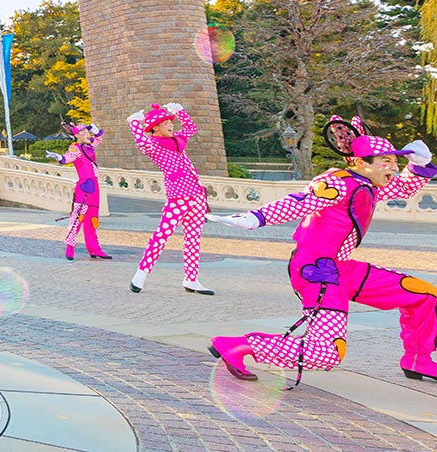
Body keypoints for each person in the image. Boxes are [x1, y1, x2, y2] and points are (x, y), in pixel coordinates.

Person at [206, 124, 437, 384]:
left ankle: (419, 360)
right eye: (387, 161)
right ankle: (237, 345)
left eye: (395, 162)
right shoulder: (338, 183)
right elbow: (303, 201)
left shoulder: (368, 183)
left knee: (423, 294)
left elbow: (402, 189)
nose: (394, 168)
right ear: (362, 163)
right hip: (317, 272)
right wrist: (254, 218)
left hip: (340, 268)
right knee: (327, 352)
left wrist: (420, 165)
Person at [127, 103, 212, 294]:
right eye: (166, 123)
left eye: (170, 122)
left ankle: (191, 279)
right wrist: (133, 122)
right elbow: (141, 142)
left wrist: (179, 112)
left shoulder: (178, 139)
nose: (171, 126)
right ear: (155, 127)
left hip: (196, 195)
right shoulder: (154, 146)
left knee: (193, 238)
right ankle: (140, 274)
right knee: (161, 236)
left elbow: (191, 128)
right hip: (178, 197)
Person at [47, 122, 110, 261]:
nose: (87, 135)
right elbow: (68, 158)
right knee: (78, 217)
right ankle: (70, 246)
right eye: (84, 133)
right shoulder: (75, 148)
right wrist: (59, 158)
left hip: (94, 187)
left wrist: (96, 130)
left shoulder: (89, 145)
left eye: (88, 133)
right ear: (76, 136)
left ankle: (95, 248)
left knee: (93, 218)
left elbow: (99, 139)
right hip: (85, 186)